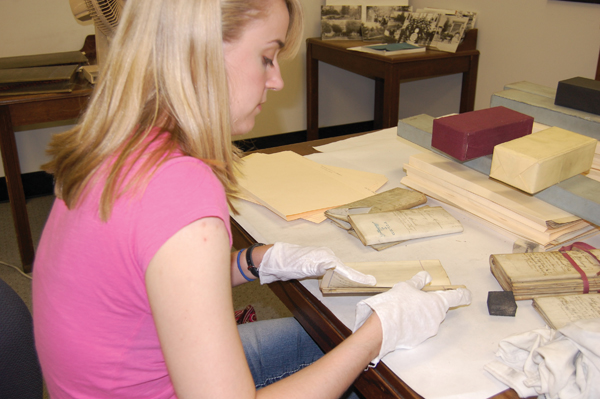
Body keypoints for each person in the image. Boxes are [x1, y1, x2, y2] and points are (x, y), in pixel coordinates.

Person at [32, 0, 472, 398]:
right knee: (388, 367)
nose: (277, 80)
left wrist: (255, 260)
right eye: (266, 57)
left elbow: (144, 278)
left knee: (329, 336)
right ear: (197, 52)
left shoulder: (116, 144)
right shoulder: (179, 186)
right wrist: (379, 333)